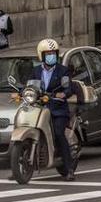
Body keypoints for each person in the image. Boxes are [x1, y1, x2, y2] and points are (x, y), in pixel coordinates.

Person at [31, 39, 75, 181]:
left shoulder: (63, 70)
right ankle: (20, 167)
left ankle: (69, 169)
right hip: (39, 108)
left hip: (58, 110)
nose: (52, 56)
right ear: (41, 55)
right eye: (48, 54)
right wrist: (22, 92)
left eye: (54, 53)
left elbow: (68, 87)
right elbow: (29, 85)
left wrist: (64, 93)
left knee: (58, 133)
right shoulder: (36, 71)